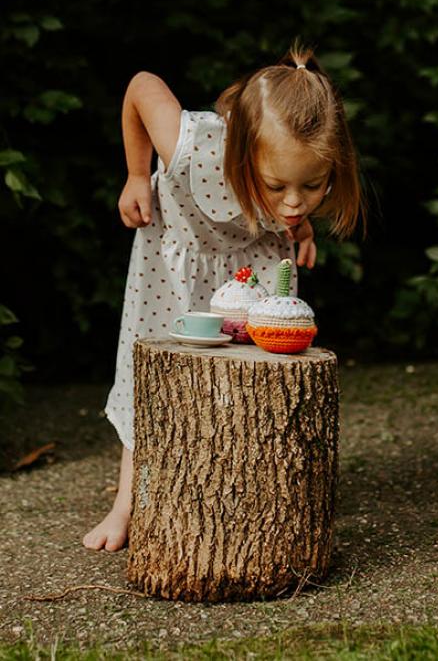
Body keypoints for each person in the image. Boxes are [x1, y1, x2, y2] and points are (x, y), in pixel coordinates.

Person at [83, 46, 362, 550]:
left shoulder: (294, 191)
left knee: (250, 377)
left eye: (313, 185)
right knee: (149, 379)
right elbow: (142, 83)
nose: (295, 202)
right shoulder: (193, 146)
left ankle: (240, 493)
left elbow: (294, 202)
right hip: (174, 264)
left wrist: (299, 232)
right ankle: (128, 503)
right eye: (276, 186)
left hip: (249, 265)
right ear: (240, 154)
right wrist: (133, 174)